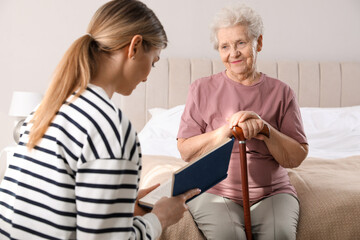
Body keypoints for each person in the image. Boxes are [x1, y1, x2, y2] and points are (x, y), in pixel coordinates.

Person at [0, 0, 200, 239]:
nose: (147, 76)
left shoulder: (44, 111)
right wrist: (160, 218)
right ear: (134, 46)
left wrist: (122, 205)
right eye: (154, 62)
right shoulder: (110, 127)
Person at [177, 3, 308, 240]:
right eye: (224, 46)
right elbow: (185, 151)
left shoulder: (282, 92)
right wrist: (226, 131)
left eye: (241, 43)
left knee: (280, 235)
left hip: (272, 192)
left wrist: (266, 129)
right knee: (228, 236)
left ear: (258, 43)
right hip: (213, 190)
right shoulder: (201, 89)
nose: (233, 53)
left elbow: (297, 156)